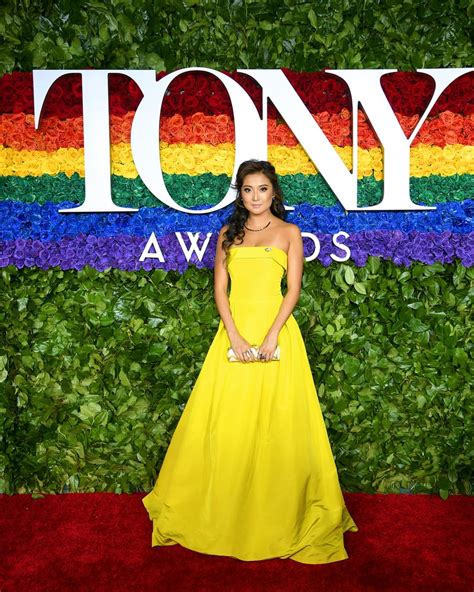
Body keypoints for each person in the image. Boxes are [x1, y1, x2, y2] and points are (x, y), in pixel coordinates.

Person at [142, 159, 358, 564]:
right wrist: (236, 336)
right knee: (227, 421)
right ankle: (220, 508)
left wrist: (273, 334)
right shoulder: (228, 234)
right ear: (239, 194)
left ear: (274, 193)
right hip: (234, 337)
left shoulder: (289, 233)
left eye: (262, 189)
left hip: (276, 336)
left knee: (280, 424)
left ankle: (279, 511)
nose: (255, 196)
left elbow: (292, 290)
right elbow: (220, 292)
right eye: (247, 189)